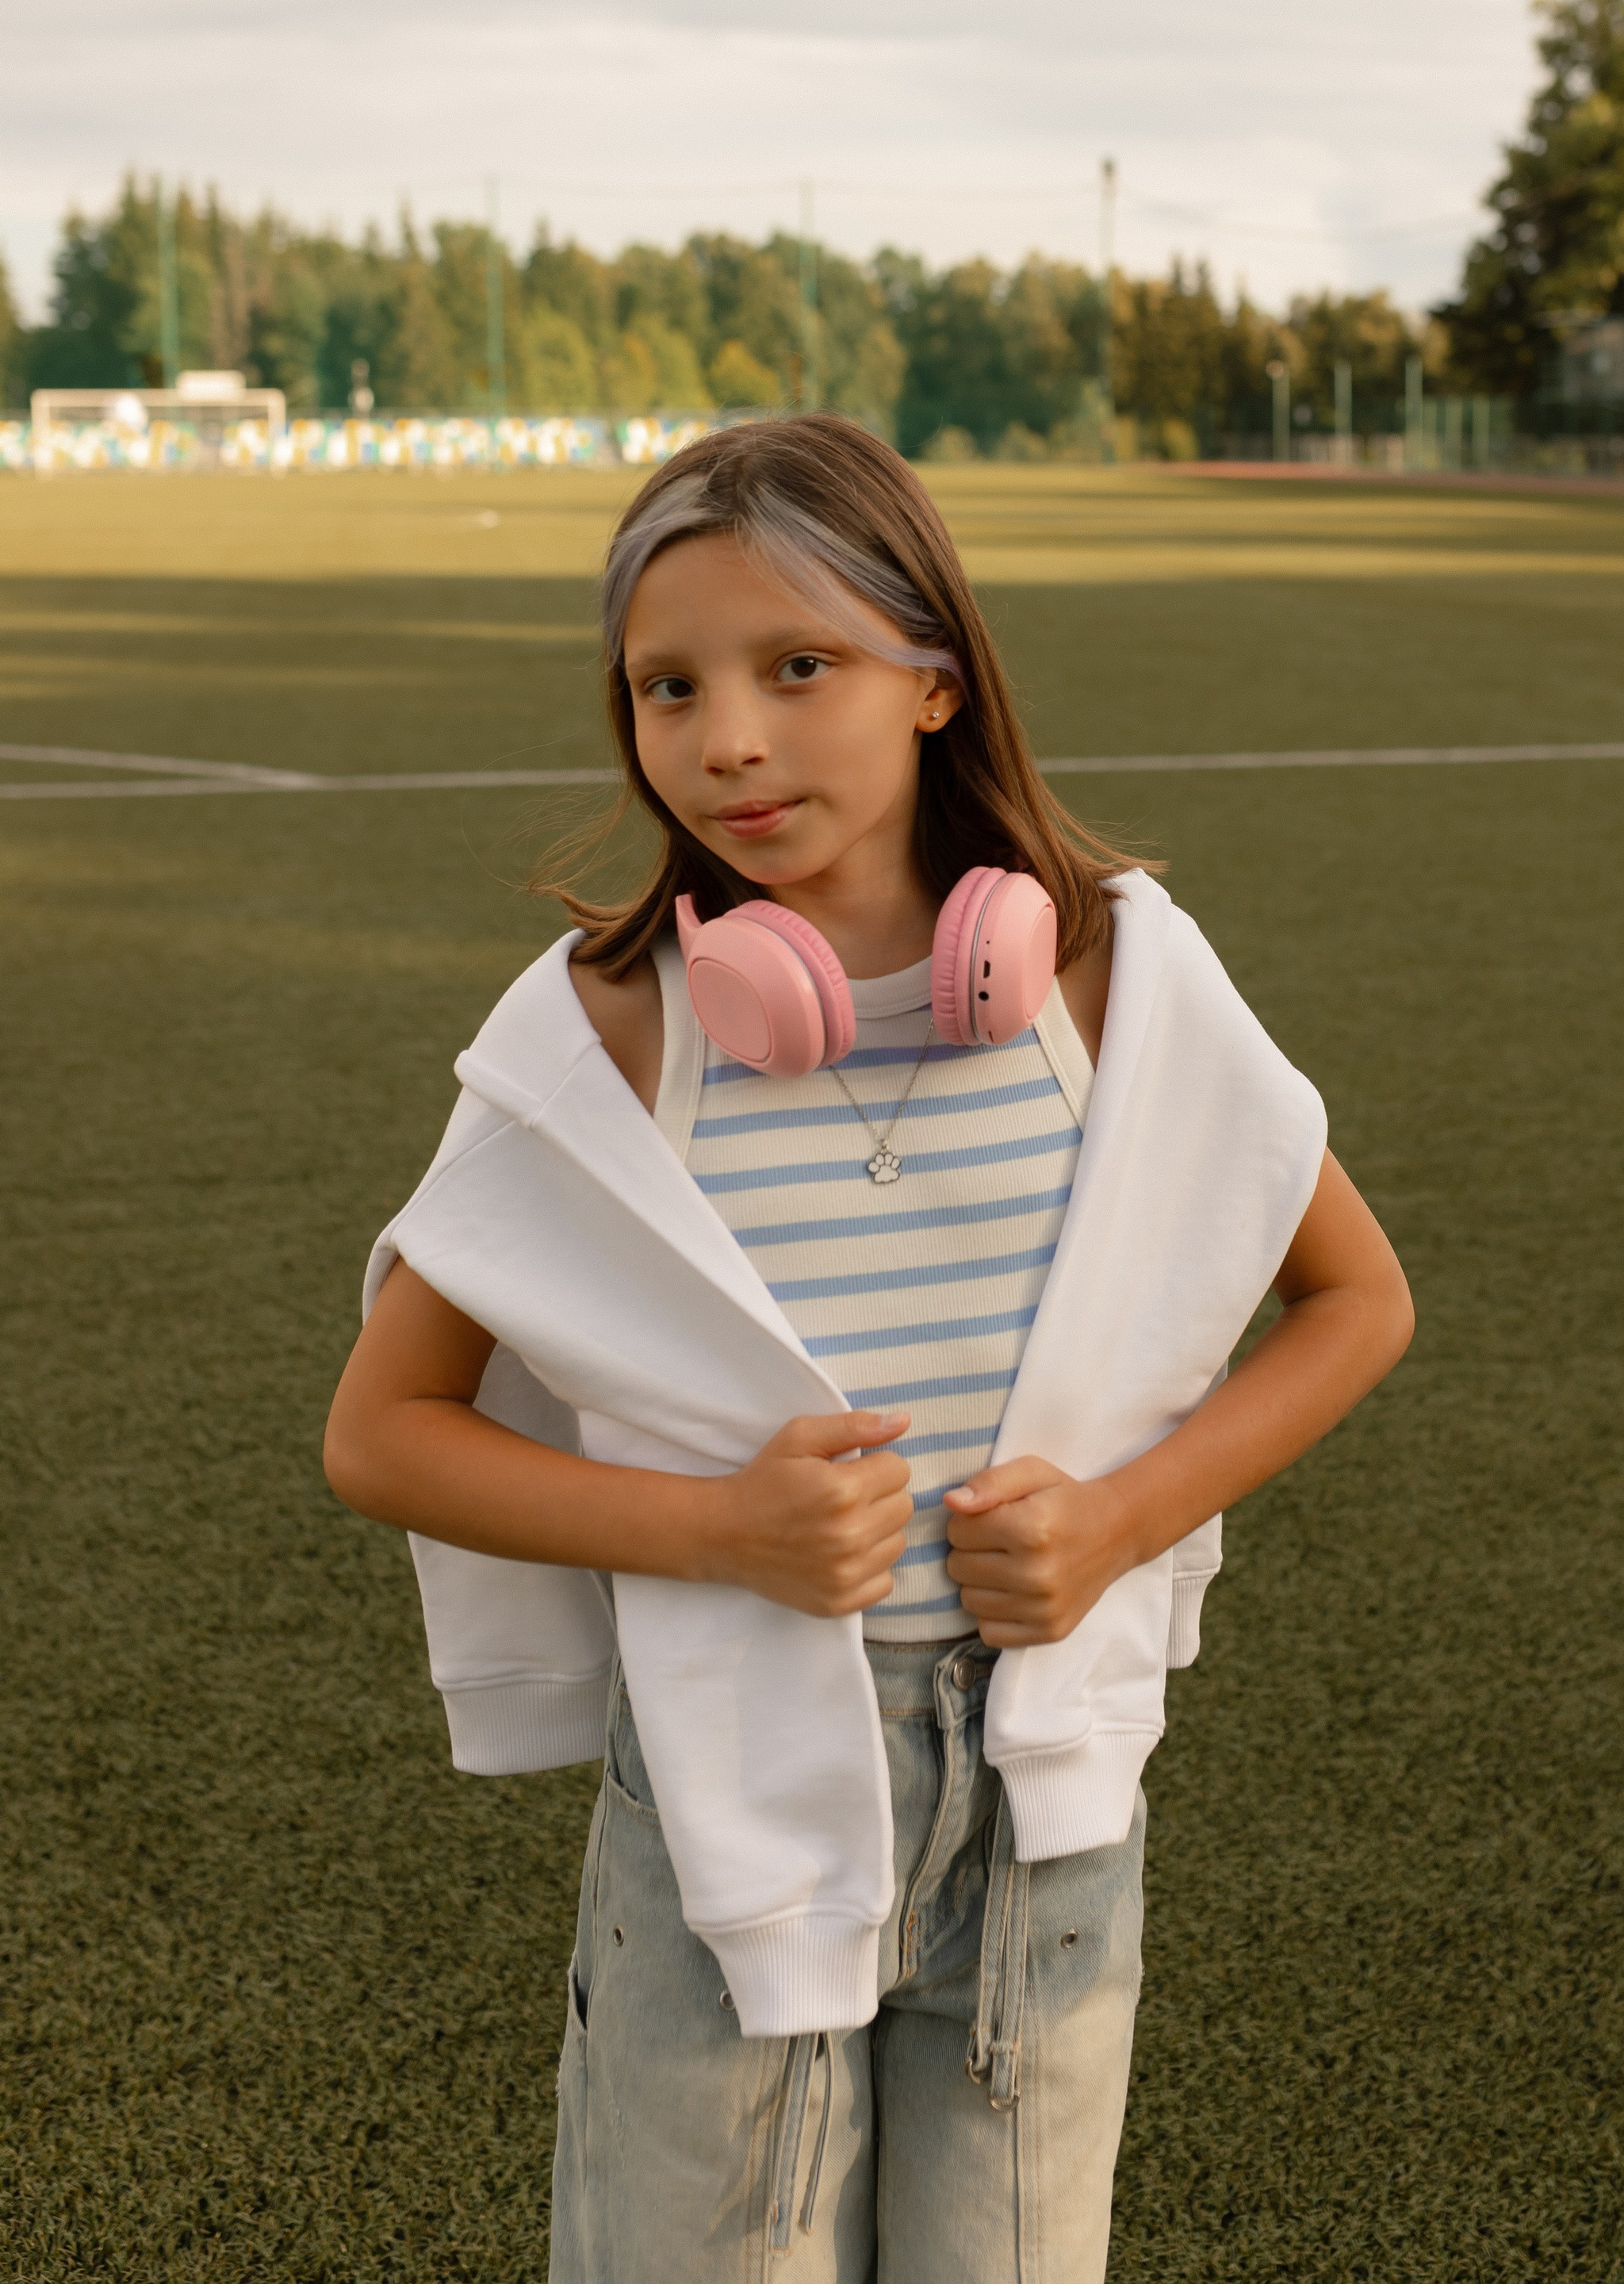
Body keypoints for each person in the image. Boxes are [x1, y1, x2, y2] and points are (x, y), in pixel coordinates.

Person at [324, 414, 1414, 2283]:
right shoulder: (610, 1029)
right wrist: (713, 1533)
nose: (724, 737)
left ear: (934, 680)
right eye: (667, 686)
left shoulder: (1109, 982)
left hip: (1040, 1810)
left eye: (796, 666)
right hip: (728, 1785)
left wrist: (1120, 1519)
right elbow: (383, 1431)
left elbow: (1356, 1299)